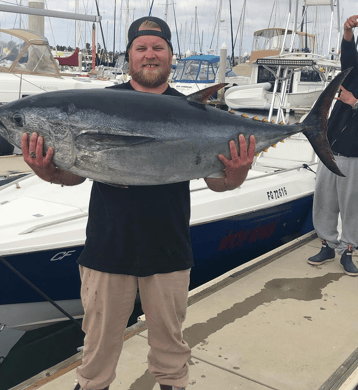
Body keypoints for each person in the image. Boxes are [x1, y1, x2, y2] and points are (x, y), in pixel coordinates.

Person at [21, 16, 255, 390]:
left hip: (169, 250)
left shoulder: (192, 109)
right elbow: (76, 173)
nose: (150, 54)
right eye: (141, 48)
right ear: (129, 56)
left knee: (171, 353)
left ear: (170, 56)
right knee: (96, 354)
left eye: (157, 47)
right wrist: (48, 171)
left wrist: (238, 172)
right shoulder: (98, 105)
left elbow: (219, 183)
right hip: (107, 248)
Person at [307, 15, 358, 276]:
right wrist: (347, 32)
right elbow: (348, 58)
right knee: (324, 200)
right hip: (329, 147)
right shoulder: (355, 71)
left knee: (351, 206)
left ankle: (349, 251)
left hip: (354, 154)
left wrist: (354, 102)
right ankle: (327, 244)